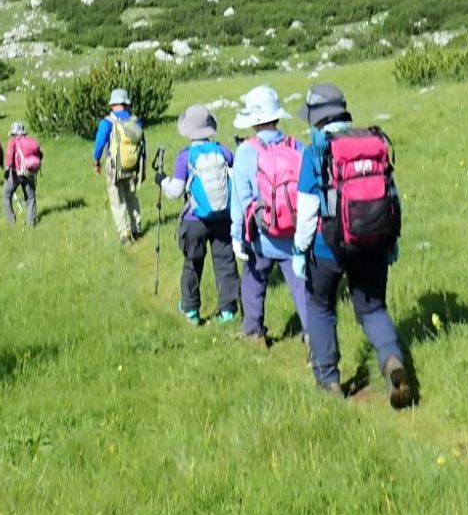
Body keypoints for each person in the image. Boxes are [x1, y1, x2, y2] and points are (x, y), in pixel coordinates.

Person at [293, 83, 413, 407]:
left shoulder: (315, 151)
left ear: (315, 118)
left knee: (320, 306)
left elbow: (306, 213)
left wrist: (299, 253)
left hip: (326, 248)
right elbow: (392, 195)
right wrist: (392, 242)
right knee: (373, 308)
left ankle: (328, 381)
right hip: (373, 238)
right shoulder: (373, 142)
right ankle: (391, 361)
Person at [230, 85, 308, 346]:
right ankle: (314, 339)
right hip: (294, 234)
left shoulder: (246, 151)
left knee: (253, 281)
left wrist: (237, 235)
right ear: (276, 116)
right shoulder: (297, 146)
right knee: (301, 287)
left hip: (260, 235)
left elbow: (241, 200)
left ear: (254, 121)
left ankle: (253, 331)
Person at [160, 104, 240, 325]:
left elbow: (175, 192)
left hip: (194, 220)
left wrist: (162, 181)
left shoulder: (185, 157)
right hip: (222, 217)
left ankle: (191, 309)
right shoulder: (223, 151)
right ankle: (228, 310)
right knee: (225, 262)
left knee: (193, 263)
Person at [92, 88, 146, 243]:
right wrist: (144, 167)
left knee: (117, 200)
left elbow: (99, 144)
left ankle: (124, 234)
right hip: (134, 166)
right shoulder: (136, 121)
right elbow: (143, 145)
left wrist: (96, 162)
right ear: (127, 104)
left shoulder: (107, 122)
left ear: (113, 105)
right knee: (132, 197)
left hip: (115, 167)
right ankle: (137, 229)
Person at [3, 121, 43, 226]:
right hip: (29, 172)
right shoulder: (32, 141)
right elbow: (40, 154)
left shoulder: (13, 141)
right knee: (30, 198)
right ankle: (31, 223)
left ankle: (11, 221)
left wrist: (7, 170)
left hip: (16, 173)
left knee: (7, 195)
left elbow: (10, 158)